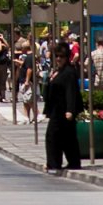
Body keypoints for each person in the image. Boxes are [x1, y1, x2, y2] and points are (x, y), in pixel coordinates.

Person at [43, 41, 83, 172]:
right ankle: (72, 162)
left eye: (62, 56)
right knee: (66, 137)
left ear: (67, 57)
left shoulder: (69, 72)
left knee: (54, 136)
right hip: (56, 109)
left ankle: (54, 163)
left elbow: (71, 91)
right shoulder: (58, 71)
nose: (59, 59)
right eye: (57, 56)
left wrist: (70, 110)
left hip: (63, 110)